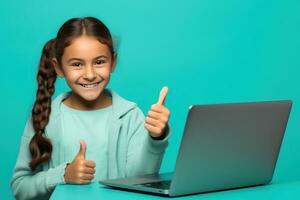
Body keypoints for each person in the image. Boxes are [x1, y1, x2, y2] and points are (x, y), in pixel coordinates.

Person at [10, 16, 171, 200]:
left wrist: (155, 138)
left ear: (113, 62)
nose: (90, 74)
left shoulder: (130, 117)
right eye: (77, 64)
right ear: (59, 68)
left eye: (99, 62)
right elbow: (20, 187)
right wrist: (62, 175)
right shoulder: (44, 118)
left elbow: (141, 180)